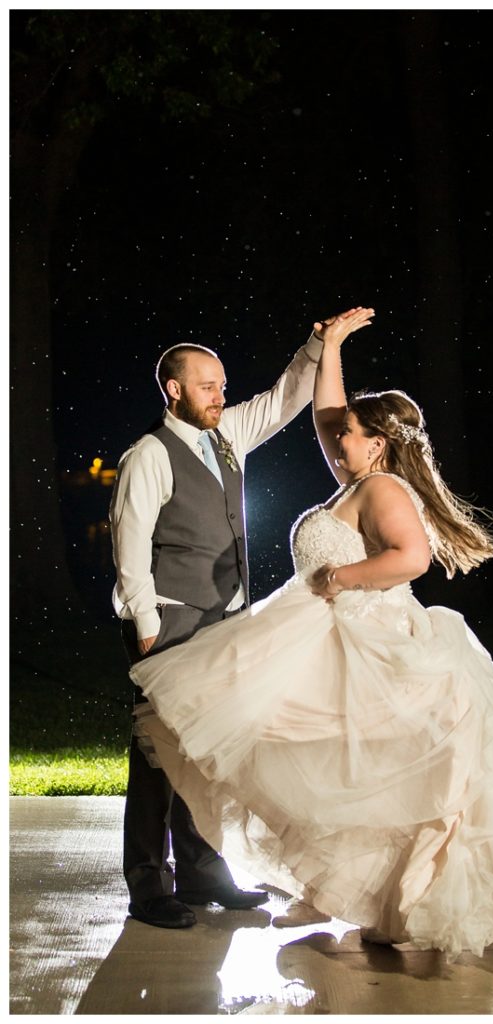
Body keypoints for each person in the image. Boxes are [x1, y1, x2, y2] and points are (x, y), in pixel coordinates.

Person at [127, 309, 493, 967]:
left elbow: (411, 559)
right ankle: (356, 894)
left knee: (388, 774)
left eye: (347, 434)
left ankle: (438, 894)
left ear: (375, 443)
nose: (333, 436)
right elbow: (325, 409)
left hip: (374, 644)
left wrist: (343, 574)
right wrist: (330, 346)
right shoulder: (353, 478)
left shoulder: (381, 488)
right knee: (331, 766)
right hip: (330, 640)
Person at [109, 307, 375, 930]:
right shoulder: (147, 455)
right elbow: (129, 544)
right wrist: (145, 620)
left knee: (207, 753)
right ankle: (150, 885)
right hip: (168, 622)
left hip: (223, 619)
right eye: (208, 386)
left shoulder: (225, 434)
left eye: (222, 385)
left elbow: (284, 400)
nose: (219, 395)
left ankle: (203, 872)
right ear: (173, 389)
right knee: (157, 756)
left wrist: (317, 348)